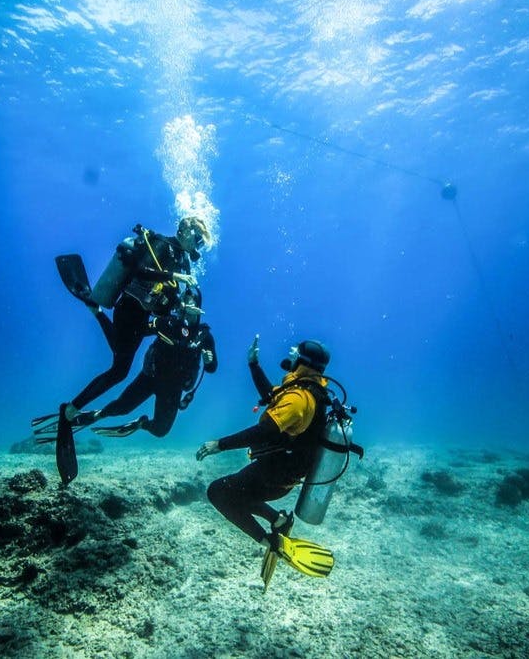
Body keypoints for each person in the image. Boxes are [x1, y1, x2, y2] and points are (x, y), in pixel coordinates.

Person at [196, 336, 336, 582]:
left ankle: (272, 542)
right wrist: (254, 364)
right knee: (237, 496)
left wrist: (220, 444)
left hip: (272, 476)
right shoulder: (306, 389)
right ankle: (278, 520)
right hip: (279, 475)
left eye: (296, 351)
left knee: (218, 492)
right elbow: (272, 397)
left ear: (304, 361)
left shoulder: (299, 398)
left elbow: (267, 430)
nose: (291, 353)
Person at [61, 216, 213, 423]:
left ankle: (96, 312)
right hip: (129, 310)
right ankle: (71, 408)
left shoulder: (182, 259)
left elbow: (169, 293)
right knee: (119, 369)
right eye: (197, 239)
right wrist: (174, 277)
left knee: (119, 362)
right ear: (185, 231)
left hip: (143, 314)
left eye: (201, 242)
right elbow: (139, 270)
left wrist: (181, 305)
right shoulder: (162, 245)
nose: (198, 245)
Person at [71, 287, 218, 437]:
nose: (184, 308)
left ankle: (141, 423)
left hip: (173, 388)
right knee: (122, 407)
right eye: (182, 303)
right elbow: (134, 332)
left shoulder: (204, 336)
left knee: (161, 431)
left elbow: (212, 367)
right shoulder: (166, 322)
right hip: (150, 378)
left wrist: (208, 361)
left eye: (189, 304)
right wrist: (102, 314)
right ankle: (97, 415)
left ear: (198, 307)